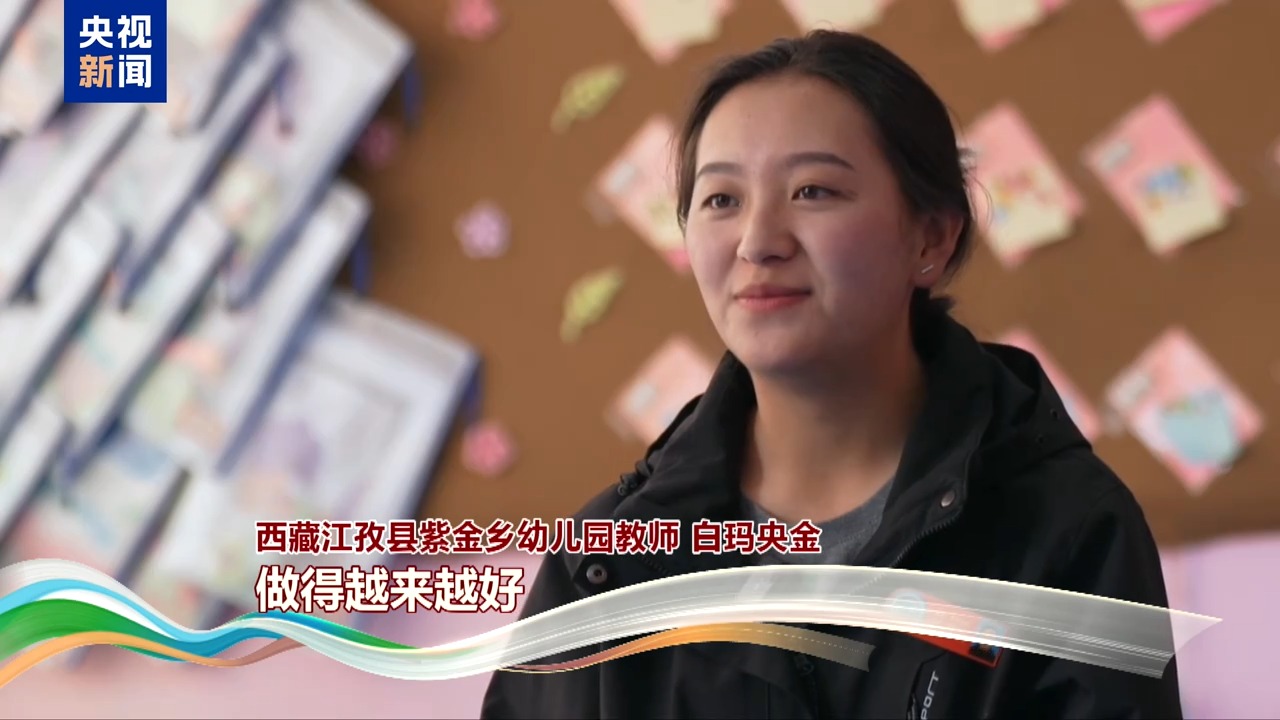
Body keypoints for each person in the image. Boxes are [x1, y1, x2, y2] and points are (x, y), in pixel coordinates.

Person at [483, 30, 1182, 719]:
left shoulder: (1066, 530)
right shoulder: (610, 558)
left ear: (932, 237)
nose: (758, 242)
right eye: (721, 199)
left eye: (813, 191)